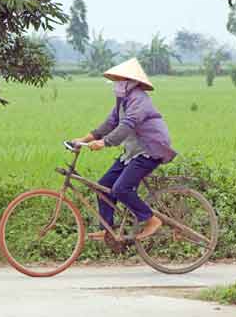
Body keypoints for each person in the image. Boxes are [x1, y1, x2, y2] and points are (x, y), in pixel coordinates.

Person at [72, 58, 177, 241]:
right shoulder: (122, 101)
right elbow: (110, 123)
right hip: (132, 151)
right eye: (116, 80)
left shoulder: (139, 100)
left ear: (131, 82)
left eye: (121, 80)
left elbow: (128, 124)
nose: (117, 84)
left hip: (149, 150)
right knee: (104, 186)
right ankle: (107, 229)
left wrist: (105, 143)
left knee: (121, 188)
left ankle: (151, 219)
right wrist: (84, 139)